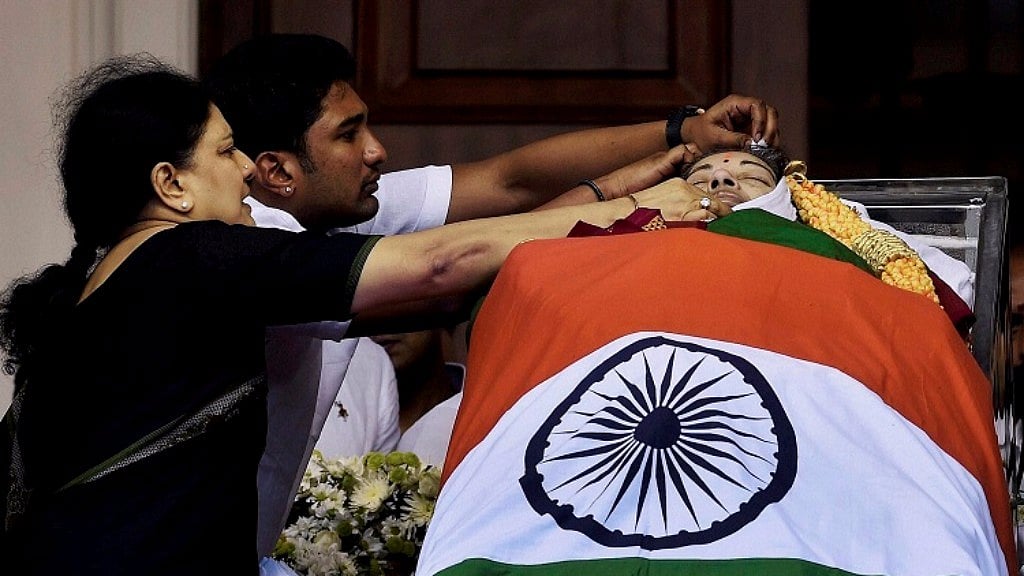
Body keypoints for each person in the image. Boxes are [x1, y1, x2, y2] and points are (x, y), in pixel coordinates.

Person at [0, 54, 726, 574]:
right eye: (226, 153)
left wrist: (620, 191)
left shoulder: (114, 278)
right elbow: (441, 269)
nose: (250, 170)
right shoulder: (199, 258)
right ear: (172, 184)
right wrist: (639, 213)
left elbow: (462, 240)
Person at [201, 32, 783, 559]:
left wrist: (682, 133)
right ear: (278, 173)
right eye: (349, 135)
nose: (377, 151)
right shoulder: (259, 242)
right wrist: (630, 208)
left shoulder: (333, 205)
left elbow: (512, 181)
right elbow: (447, 277)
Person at [677, 146, 975, 307]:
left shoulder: (846, 235)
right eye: (700, 181)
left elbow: (956, 288)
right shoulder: (647, 234)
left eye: (753, 178)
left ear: (787, 195)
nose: (719, 180)